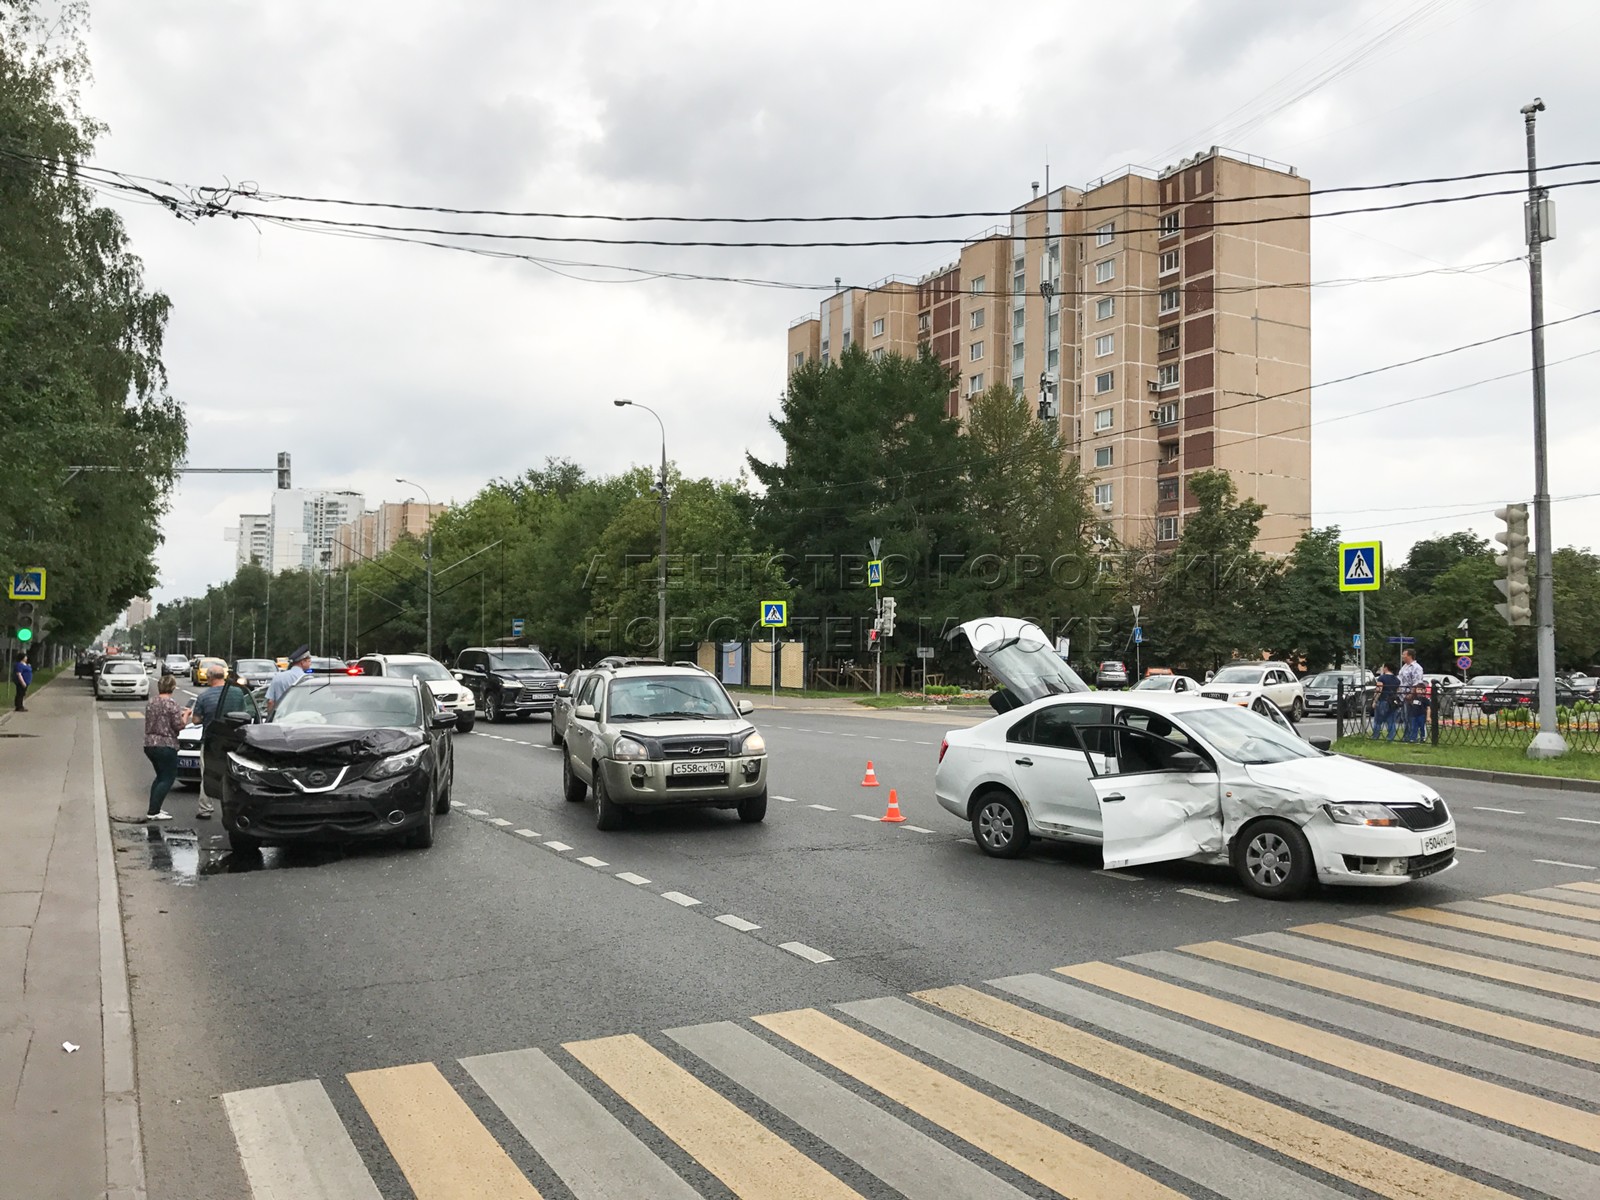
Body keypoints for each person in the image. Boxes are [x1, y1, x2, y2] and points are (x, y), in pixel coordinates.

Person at [185, 665, 231, 819]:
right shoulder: (236, 694)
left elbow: (196, 720)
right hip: (234, 741)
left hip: (211, 741)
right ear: (223, 676)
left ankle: (205, 809)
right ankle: (232, 808)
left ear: (210, 678)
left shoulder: (204, 696)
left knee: (208, 774)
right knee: (233, 776)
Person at [142, 674, 184, 820]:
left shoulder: (151, 702)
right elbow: (178, 726)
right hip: (166, 745)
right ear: (173, 687)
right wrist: (186, 716)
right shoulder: (171, 704)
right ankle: (154, 812)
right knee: (168, 778)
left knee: (160, 776)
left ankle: (154, 809)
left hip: (149, 744)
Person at [265, 645, 311, 714]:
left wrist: (270, 718)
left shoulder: (277, 677)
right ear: (302, 662)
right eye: (309, 661)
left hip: (279, 718)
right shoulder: (307, 679)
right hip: (299, 718)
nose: (310, 664)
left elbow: (270, 702)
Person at [1397, 649, 1426, 743]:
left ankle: (1413, 736)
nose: (1402, 656)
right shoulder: (1405, 666)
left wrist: (1411, 694)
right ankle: (1407, 735)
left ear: (1409, 656)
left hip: (1411, 696)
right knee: (1405, 717)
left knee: (1411, 717)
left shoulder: (1416, 667)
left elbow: (1417, 682)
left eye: (1404, 654)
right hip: (1403, 695)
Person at [1373, 663, 1401, 740]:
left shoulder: (1382, 678)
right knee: (1391, 720)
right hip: (1392, 702)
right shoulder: (1397, 680)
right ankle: (1390, 737)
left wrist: (1374, 701)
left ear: (1386, 668)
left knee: (1378, 720)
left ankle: (1375, 736)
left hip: (1383, 700)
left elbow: (1379, 690)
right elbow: (1398, 691)